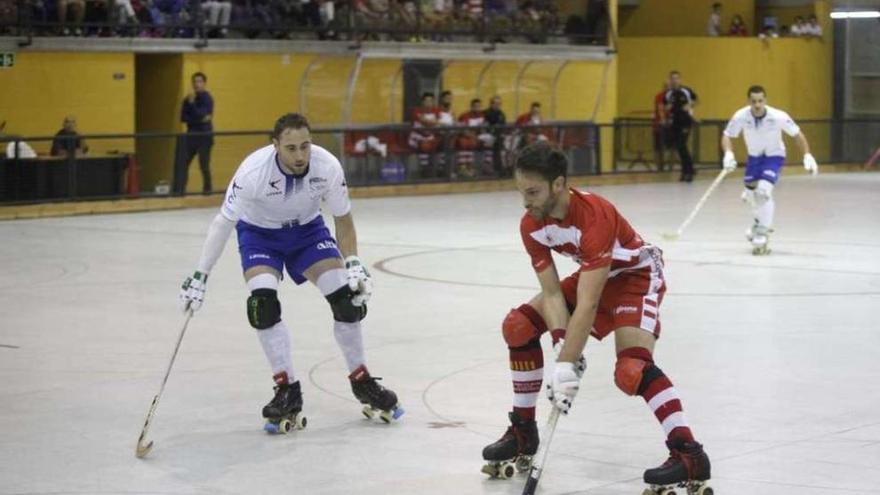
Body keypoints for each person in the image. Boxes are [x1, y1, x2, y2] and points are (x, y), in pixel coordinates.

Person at [481, 142, 712, 495]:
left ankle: (688, 453)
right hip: (594, 277)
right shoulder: (532, 225)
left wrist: (567, 364)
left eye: (533, 192)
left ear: (558, 184)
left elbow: (587, 304)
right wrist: (562, 343)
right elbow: (554, 292)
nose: (525, 201)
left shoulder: (595, 216)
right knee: (518, 326)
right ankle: (523, 431)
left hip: (634, 279)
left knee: (631, 371)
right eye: (521, 192)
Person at [178, 113, 403, 431]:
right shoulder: (253, 172)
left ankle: (362, 380)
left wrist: (353, 261)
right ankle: (287, 389)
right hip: (259, 235)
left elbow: (343, 219)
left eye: (305, 146)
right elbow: (223, 223)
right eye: (291, 148)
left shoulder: (327, 167)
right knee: (262, 305)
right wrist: (200, 275)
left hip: (307, 233)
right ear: (276, 146)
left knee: (348, 301)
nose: (300, 156)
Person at [721, 85, 817, 255]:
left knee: (763, 191)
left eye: (760, 101)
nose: (757, 105)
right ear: (748, 101)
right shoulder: (741, 116)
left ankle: (762, 231)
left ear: (765, 100)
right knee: (751, 194)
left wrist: (807, 155)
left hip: (774, 156)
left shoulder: (778, 116)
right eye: (753, 101)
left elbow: (797, 135)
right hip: (754, 159)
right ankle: (758, 222)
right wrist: (728, 154)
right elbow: (727, 135)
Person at [174, 72, 214, 195]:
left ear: (204, 83)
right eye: (195, 82)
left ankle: (207, 191)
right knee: (183, 164)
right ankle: (180, 191)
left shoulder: (207, 98)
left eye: (200, 82)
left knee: (204, 165)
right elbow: (183, 118)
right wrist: (198, 118)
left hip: (205, 136)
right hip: (191, 136)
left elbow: (205, 115)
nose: (197, 84)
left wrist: (193, 107)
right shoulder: (188, 99)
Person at [664, 71, 698, 182]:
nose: (675, 80)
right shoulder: (669, 93)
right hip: (675, 122)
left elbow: (695, 100)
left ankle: (689, 171)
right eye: (672, 78)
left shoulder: (686, 91)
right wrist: (668, 109)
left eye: (677, 78)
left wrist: (689, 105)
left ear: (680, 80)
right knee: (679, 147)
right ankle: (686, 171)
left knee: (682, 145)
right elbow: (665, 106)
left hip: (685, 121)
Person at [484, 95, 508, 176]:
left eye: (499, 104)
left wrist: (503, 134)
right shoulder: (486, 113)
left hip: (500, 136)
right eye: (495, 103)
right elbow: (486, 126)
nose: (497, 105)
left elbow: (504, 126)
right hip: (489, 135)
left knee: (509, 142)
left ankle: (505, 167)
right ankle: (490, 168)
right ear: (491, 104)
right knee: (493, 141)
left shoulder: (501, 114)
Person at [652, 80, 670, 171]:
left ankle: (669, 166)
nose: (668, 88)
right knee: (658, 146)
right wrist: (663, 120)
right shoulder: (660, 96)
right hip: (659, 125)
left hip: (670, 125)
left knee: (670, 146)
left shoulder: (673, 96)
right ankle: (659, 166)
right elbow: (660, 108)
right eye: (666, 86)